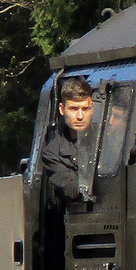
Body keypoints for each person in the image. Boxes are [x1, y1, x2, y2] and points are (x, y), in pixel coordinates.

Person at [43, 76, 95, 206]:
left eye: (85, 109)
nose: (80, 116)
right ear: (62, 109)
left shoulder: (109, 139)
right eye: (73, 109)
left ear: (92, 108)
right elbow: (72, 190)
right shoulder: (52, 153)